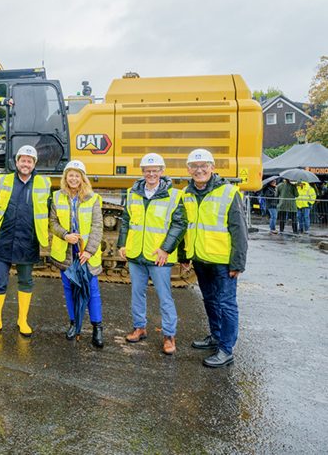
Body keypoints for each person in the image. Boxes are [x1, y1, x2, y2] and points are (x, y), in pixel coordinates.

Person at [180, 148, 248, 368]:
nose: (199, 170)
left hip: (222, 261)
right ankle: (216, 336)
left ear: (212, 168)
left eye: (204, 166)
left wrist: (238, 262)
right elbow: (184, 227)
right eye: (195, 167)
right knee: (209, 300)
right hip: (200, 259)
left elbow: (239, 230)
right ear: (189, 170)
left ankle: (226, 350)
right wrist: (184, 255)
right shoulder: (186, 194)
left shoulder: (228, 192)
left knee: (227, 304)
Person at [116, 153, 186, 355]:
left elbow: (179, 224)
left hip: (158, 256)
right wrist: (122, 243)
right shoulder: (132, 193)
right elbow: (126, 221)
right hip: (136, 253)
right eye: (148, 171)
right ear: (143, 172)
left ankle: (169, 335)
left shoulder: (174, 195)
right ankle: (139, 327)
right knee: (137, 293)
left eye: (155, 170)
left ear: (162, 172)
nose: (151, 174)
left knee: (165, 297)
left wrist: (166, 248)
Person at [0, 145, 51, 338]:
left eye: (29, 161)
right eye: (23, 160)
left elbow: (45, 209)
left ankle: (23, 320)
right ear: (17, 162)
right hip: (5, 238)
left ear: (34, 164)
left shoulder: (42, 183)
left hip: (28, 240)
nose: (26, 164)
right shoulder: (4, 180)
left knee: (26, 281)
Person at [50, 159, 105, 348]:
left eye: (77, 175)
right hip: (66, 252)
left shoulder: (93, 198)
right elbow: (53, 223)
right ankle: (74, 324)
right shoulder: (57, 197)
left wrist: (89, 251)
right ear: (66, 177)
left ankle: (97, 327)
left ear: (83, 178)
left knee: (92, 291)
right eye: (70, 175)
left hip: (85, 254)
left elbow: (98, 226)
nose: (73, 178)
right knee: (69, 290)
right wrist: (65, 235)